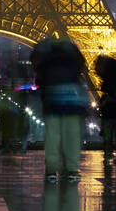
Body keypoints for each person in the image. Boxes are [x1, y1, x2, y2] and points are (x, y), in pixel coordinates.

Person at [32, 37, 88, 183]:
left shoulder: (46, 59)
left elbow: (39, 78)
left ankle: (51, 169)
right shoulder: (73, 58)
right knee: (72, 135)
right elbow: (81, 69)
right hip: (72, 99)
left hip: (52, 99)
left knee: (52, 135)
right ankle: (72, 169)